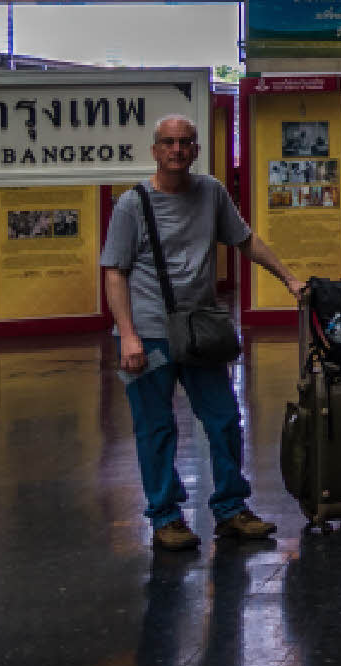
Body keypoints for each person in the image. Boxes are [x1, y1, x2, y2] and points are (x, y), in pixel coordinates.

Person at [100, 114, 308, 553]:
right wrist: (129, 336)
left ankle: (232, 508)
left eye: (186, 143)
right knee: (156, 428)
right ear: (155, 149)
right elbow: (114, 273)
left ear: (196, 150)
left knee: (224, 419)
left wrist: (288, 278)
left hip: (200, 331)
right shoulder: (133, 205)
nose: (177, 150)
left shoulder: (210, 192)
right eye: (169, 142)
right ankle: (166, 516)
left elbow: (245, 240)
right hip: (149, 337)